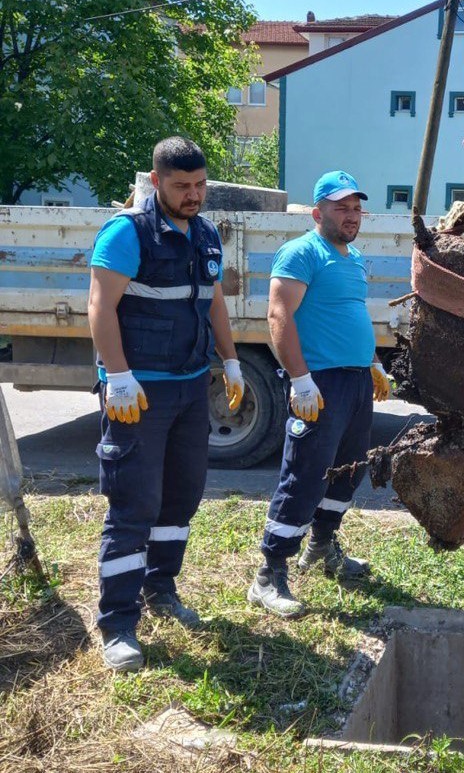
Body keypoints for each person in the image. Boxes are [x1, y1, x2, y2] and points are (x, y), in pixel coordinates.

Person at [88, 137, 244, 672]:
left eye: (200, 185)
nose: (194, 195)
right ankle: (117, 624)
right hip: (140, 396)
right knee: (134, 503)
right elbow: (99, 304)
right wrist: (119, 377)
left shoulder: (204, 234)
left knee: (181, 497)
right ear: (156, 182)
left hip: (190, 388)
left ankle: (161, 587)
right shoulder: (127, 233)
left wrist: (232, 361)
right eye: (182, 187)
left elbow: (214, 302)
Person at [247, 169, 391, 617]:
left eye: (355, 208)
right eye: (341, 208)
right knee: (305, 474)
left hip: (354, 382)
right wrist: (300, 379)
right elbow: (278, 315)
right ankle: (269, 574)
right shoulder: (302, 252)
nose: (351, 216)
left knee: (348, 471)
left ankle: (322, 546)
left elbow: (345, 312)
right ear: (318, 212)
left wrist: (370, 363)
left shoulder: (352, 258)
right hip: (320, 382)